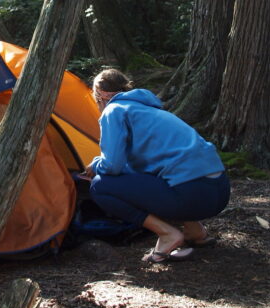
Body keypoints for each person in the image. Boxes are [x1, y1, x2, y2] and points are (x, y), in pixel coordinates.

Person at [84, 69, 230, 264]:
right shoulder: (149, 109)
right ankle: (195, 231)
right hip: (220, 192)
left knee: (100, 186)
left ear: (100, 95)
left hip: (194, 196)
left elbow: (112, 166)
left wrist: (96, 166)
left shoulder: (114, 110)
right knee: (166, 172)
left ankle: (168, 234)